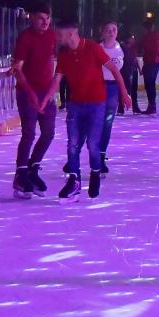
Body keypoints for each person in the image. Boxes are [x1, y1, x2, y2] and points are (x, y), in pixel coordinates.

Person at [43, 20, 131, 203]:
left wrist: (124, 92)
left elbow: (114, 70)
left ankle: (96, 172)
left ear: (70, 34)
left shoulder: (92, 48)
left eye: (59, 35)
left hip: (96, 104)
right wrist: (44, 100)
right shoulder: (65, 54)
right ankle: (74, 181)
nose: (57, 38)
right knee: (73, 144)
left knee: (92, 144)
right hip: (75, 104)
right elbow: (56, 79)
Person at [12, 3, 57, 199]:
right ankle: (21, 174)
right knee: (29, 133)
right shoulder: (25, 38)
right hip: (27, 92)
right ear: (31, 18)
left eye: (48, 18)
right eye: (41, 18)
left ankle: (32, 168)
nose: (45, 22)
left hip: (46, 93)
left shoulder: (52, 36)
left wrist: (49, 94)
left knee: (48, 133)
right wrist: (30, 94)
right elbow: (18, 70)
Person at [98, 21, 125, 177]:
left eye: (113, 29)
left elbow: (123, 72)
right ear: (102, 32)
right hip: (98, 88)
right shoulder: (97, 49)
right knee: (94, 123)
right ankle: (75, 156)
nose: (111, 32)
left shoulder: (121, 50)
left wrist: (124, 92)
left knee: (107, 124)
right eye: (107, 30)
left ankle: (101, 156)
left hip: (113, 89)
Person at [139, 18, 159, 115]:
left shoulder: (147, 37)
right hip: (154, 62)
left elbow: (141, 46)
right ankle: (152, 106)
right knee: (150, 84)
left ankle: (152, 107)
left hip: (151, 62)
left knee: (149, 84)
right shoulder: (158, 35)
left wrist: (158, 50)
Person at [119, 33, 141, 114]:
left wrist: (139, 69)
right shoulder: (122, 47)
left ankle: (135, 108)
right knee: (124, 89)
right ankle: (120, 108)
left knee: (134, 90)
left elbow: (135, 59)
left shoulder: (133, 47)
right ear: (128, 39)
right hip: (125, 70)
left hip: (133, 70)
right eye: (132, 38)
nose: (133, 39)